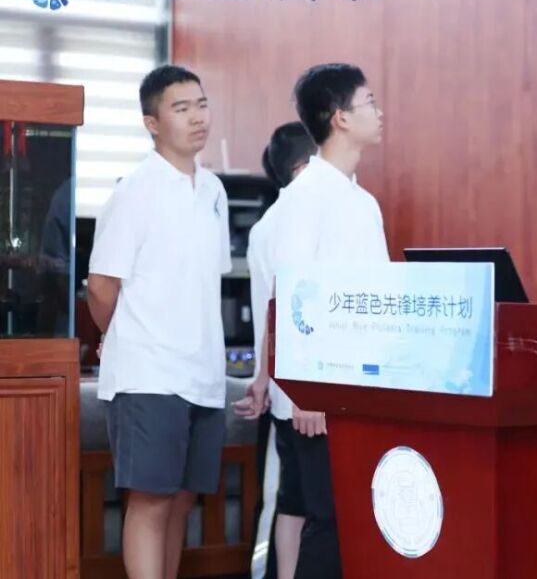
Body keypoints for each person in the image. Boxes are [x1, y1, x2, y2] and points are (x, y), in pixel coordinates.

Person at [240, 63, 388, 579]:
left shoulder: (362, 201)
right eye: (370, 102)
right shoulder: (305, 197)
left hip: (358, 391)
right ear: (340, 117)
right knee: (329, 524)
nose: (379, 112)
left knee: (347, 523)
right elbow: (293, 295)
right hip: (319, 398)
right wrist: (307, 392)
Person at [87, 65, 231, 579]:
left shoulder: (214, 190)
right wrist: (119, 336)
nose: (198, 117)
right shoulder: (135, 190)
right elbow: (101, 286)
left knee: (182, 499)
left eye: (202, 104)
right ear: (152, 123)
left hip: (203, 373)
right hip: (148, 373)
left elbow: (204, 281)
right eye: (181, 108)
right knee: (150, 500)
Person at [236, 122, 317, 578]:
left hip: (282, 384)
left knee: (287, 500)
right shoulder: (295, 221)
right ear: (307, 165)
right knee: (296, 502)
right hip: (300, 387)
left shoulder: (267, 225)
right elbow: (284, 305)